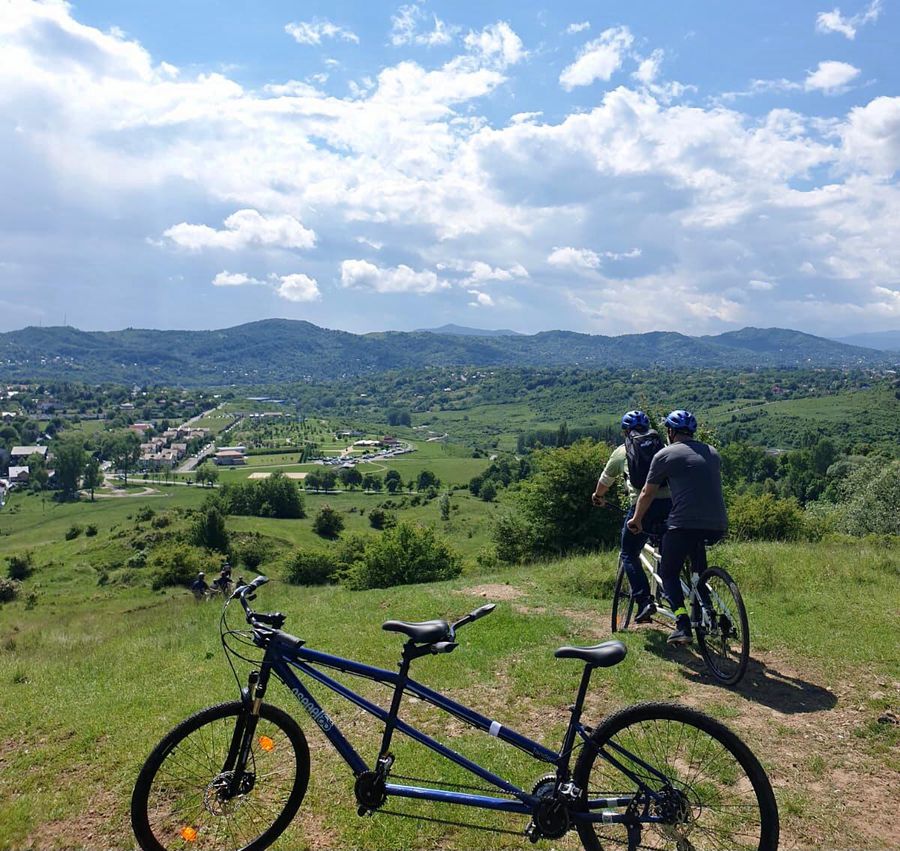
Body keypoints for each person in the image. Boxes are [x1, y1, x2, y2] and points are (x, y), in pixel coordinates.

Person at [627, 410, 728, 645]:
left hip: (683, 523)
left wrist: (636, 520)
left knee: (668, 572)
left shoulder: (665, 455)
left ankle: (682, 624)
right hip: (717, 524)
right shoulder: (713, 453)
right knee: (698, 574)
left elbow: (647, 492)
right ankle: (709, 612)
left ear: (670, 432)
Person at [593, 410, 671, 624]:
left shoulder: (621, 451)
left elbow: (605, 481)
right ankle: (670, 593)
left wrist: (598, 496)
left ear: (626, 431)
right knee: (669, 551)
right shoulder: (662, 447)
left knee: (628, 553)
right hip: (670, 506)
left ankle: (644, 600)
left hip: (642, 507)